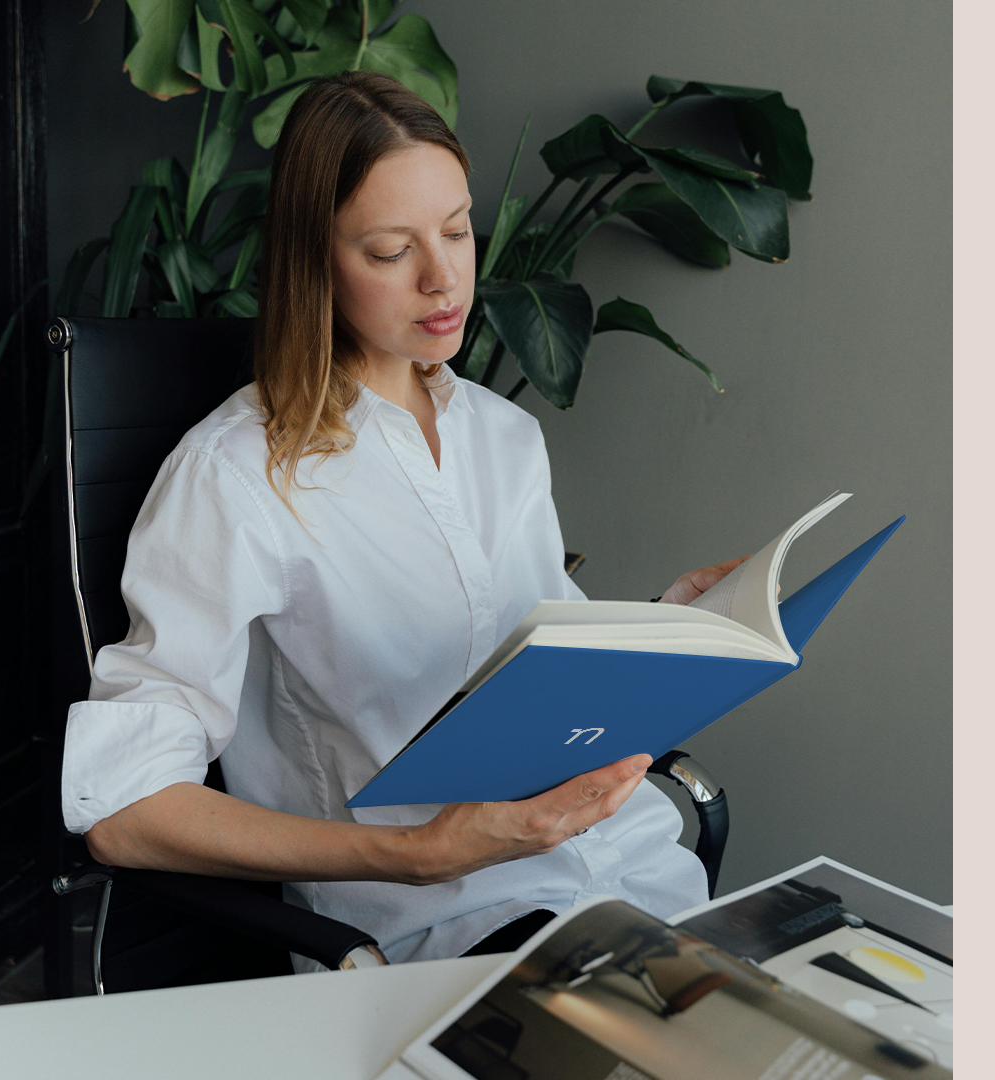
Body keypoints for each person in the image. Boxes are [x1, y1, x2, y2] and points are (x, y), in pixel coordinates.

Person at [60, 71, 735, 967]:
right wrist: (416, 855)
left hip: (632, 872)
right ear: (315, 260)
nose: (443, 275)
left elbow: (527, 683)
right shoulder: (234, 478)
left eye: (456, 229)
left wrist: (665, 636)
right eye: (389, 250)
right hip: (446, 930)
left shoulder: (503, 436)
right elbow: (121, 809)